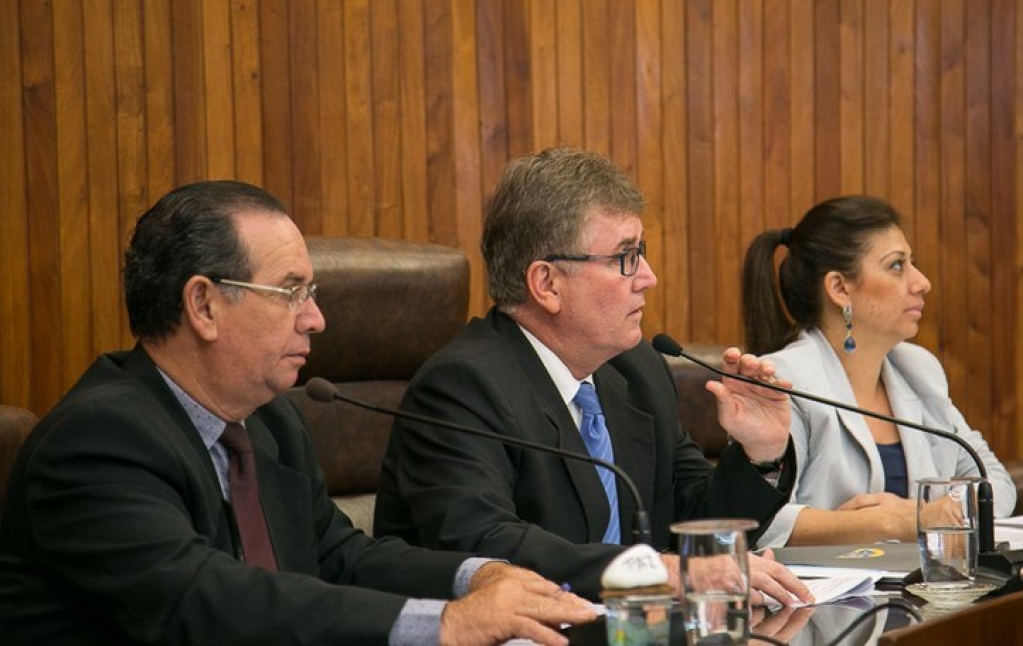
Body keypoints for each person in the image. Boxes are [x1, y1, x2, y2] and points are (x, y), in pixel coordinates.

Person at [0, 180, 597, 645]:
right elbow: (204, 602)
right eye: (292, 292)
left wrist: (477, 577)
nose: (316, 320)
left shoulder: (270, 422)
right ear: (203, 305)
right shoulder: (99, 440)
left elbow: (342, 558)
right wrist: (446, 624)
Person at [373, 147, 813, 606]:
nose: (648, 276)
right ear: (547, 284)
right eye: (625, 257)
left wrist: (760, 454)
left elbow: (696, 519)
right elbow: (487, 547)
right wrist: (658, 572)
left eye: (641, 253)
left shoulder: (634, 369)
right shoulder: (462, 388)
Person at [741, 195, 1016, 548]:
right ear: (840, 288)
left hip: (928, 586)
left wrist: (928, 513)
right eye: (897, 266)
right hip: (826, 598)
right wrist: (898, 520)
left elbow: (995, 484)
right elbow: (762, 522)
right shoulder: (783, 380)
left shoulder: (918, 369)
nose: (922, 282)